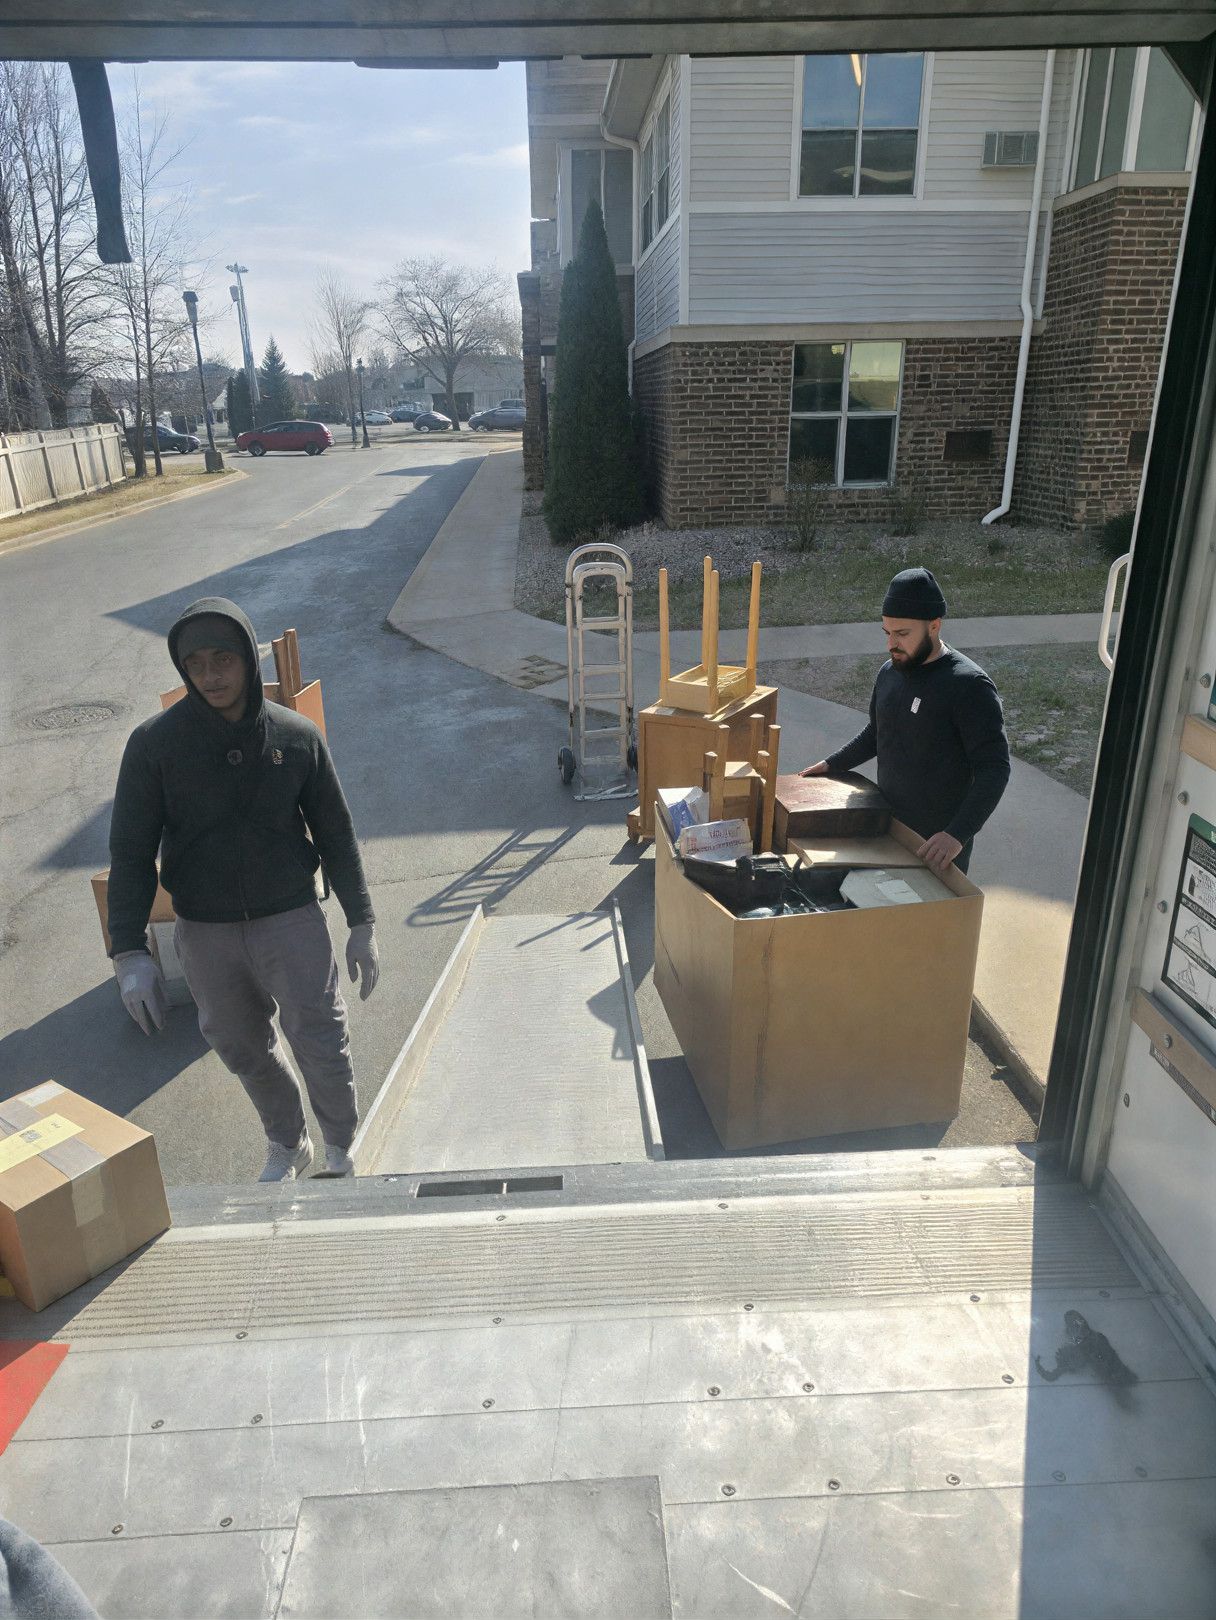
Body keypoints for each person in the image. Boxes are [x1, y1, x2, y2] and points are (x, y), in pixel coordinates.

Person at [106, 597, 379, 1182]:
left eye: (224, 659)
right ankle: (288, 1140)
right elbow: (130, 852)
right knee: (238, 1044)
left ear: (248, 661)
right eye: (197, 663)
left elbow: (336, 831)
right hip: (205, 931)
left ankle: (341, 1145)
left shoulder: (296, 737)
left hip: (291, 918)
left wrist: (362, 922)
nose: (211, 675)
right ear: (183, 668)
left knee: (320, 1037)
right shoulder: (154, 746)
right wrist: (129, 951)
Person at [801, 567, 1010, 875]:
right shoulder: (889, 672)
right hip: (887, 829)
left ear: (934, 626)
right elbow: (877, 731)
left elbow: (995, 768)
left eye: (902, 634)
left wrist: (957, 834)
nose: (892, 645)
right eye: (887, 633)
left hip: (936, 847)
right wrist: (833, 764)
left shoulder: (969, 685)